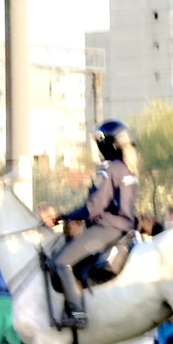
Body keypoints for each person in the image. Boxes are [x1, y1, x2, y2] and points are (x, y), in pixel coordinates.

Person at [50, 120, 139, 328]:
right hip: (125, 227)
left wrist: (65, 215)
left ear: (106, 143)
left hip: (107, 228)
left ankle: (77, 314)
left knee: (61, 262)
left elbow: (94, 207)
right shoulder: (129, 169)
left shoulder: (108, 169)